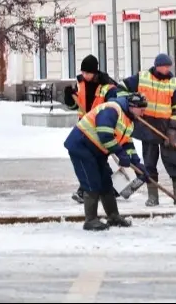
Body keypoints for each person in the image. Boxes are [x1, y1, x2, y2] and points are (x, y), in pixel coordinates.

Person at [63, 93, 150, 231]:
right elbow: (104, 134)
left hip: (98, 151)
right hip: (81, 146)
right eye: (142, 110)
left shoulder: (129, 120)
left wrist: (136, 163)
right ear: (133, 107)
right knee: (92, 182)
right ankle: (90, 220)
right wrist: (120, 153)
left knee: (105, 182)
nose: (143, 114)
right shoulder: (112, 110)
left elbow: (127, 143)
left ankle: (113, 216)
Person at [119, 53, 176, 207]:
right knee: (149, 163)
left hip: (166, 130)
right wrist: (132, 105)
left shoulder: (174, 83)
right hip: (147, 129)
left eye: (169, 66)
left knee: (173, 162)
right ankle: (153, 197)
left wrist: (173, 130)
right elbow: (121, 88)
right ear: (157, 66)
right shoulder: (142, 77)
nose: (167, 69)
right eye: (164, 66)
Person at [63, 55, 119, 204]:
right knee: (95, 159)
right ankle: (109, 188)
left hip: (100, 128)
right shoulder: (80, 83)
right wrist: (69, 97)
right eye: (83, 72)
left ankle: (86, 190)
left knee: (94, 159)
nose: (84, 75)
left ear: (94, 72)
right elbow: (75, 105)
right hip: (84, 128)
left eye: (87, 73)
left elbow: (113, 109)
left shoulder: (108, 87)